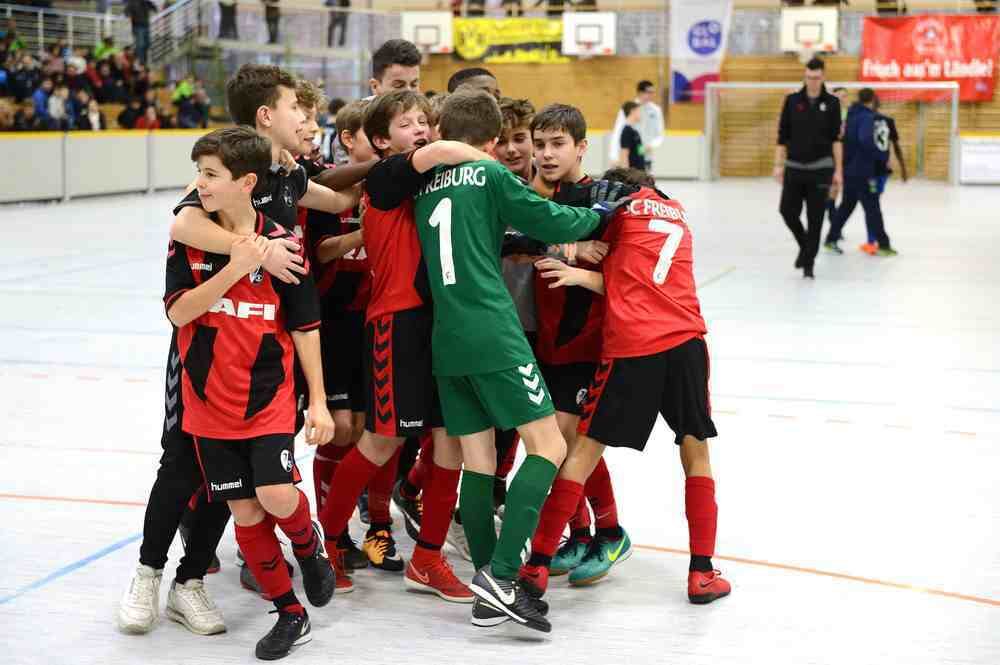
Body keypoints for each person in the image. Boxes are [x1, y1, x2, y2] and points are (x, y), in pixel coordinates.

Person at [411, 90, 628, 633]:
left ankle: (488, 582)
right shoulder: (488, 173)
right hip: (492, 331)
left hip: (447, 336)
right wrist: (600, 210)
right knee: (549, 445)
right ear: (487, 142)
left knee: (479, 459)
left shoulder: (425, 185)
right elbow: (556, 220)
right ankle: (505, 577)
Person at [166, 127, 336, 660]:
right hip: (207, 402)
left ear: (246, 183)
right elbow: (177, 312)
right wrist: (237, 268)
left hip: (269, 397)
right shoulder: (190, 239)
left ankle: (308, 544)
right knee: (244, 512)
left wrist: (322, 401)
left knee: (277, 495)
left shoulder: (284, 243)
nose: (200, 186)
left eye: (211, 175)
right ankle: (290, 613)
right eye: (199, 173)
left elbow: (306, 326)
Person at [526, 166, 732, 606]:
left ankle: (536, 566)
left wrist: (577, 265)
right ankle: (701, 572)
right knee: (695, 451)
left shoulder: (617, 211)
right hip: (686, 342)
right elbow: (642, 278)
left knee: (582, 452)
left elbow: (552, 233)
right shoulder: (676, 212)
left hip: (634, 344)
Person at [315, 90, 492, 603]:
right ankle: (327, 541)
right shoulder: (389, 175)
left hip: (443, 325)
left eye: (423, 121)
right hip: (397, 322)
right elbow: (437, 153)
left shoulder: (433, 181)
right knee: (382, 442)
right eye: (406, 123)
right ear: (380, 139)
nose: (419, 128)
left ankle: (429, 558)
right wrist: (489, 161)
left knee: (449, 443)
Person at [774, 57, 843, 279]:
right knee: (787, 211)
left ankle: (809, 264)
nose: (812, 81)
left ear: (823, 76)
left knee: (816, 218)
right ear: (805, 76)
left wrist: (838, 171)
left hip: (821, 169)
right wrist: (778, 165)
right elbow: (782, 136)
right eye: (809, 77)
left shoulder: (832, 103)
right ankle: (806, 248)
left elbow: (836, 140)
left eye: (816, 78)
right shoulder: (792, 101)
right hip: (794, 167)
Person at [824, 88, 898, 257]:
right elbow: (865, 140)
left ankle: (830, 239)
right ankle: (884, 245)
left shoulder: (851, 115)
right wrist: (881, 156)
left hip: (851, 170)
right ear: (872, 100)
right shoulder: (867, 117)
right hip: (864, 172)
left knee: (846, 207)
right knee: (873, 209)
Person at [608, 80, 664, 169]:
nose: (651, 95)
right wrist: (613, 156)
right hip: (629, 155)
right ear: (639, 92)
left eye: (652, 92)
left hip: (645, 155)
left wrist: (651, 145)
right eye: (648, 92)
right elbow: (617, 131)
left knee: (644, 180)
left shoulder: (656, 110)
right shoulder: (628, 108)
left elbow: (659, 135)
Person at [124, 0, 156, 65]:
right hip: (137, 27)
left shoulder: (147, 2)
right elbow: (126, 12)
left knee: (147, 44)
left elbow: (154, 8)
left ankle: (141, 59)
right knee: (140, 45)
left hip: (146, 26)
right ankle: (141, 62)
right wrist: (129, 16)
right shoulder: (132, 2)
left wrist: (154, 10)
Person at [617, 101, 647, 170]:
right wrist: (626, 174)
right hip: (633, 174)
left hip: (640, 172)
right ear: (632, 111)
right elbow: (624, 154)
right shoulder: (627, 131)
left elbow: (640, 151)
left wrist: (645, 149)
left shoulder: (635, 131)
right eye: (639, 111)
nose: (640, 114)